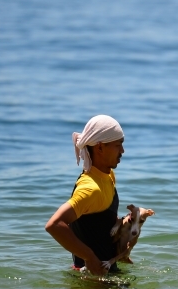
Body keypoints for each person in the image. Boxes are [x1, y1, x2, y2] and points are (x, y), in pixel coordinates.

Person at [45, 115, 125, 276]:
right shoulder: (90, 188)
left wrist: (124, 225)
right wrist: (89, 257)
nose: (122, 151)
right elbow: (54, 225)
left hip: (106, 273)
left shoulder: (107, 175)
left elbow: (96, 222)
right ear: (100, 148)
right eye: (118, 145)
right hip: (92, 280)